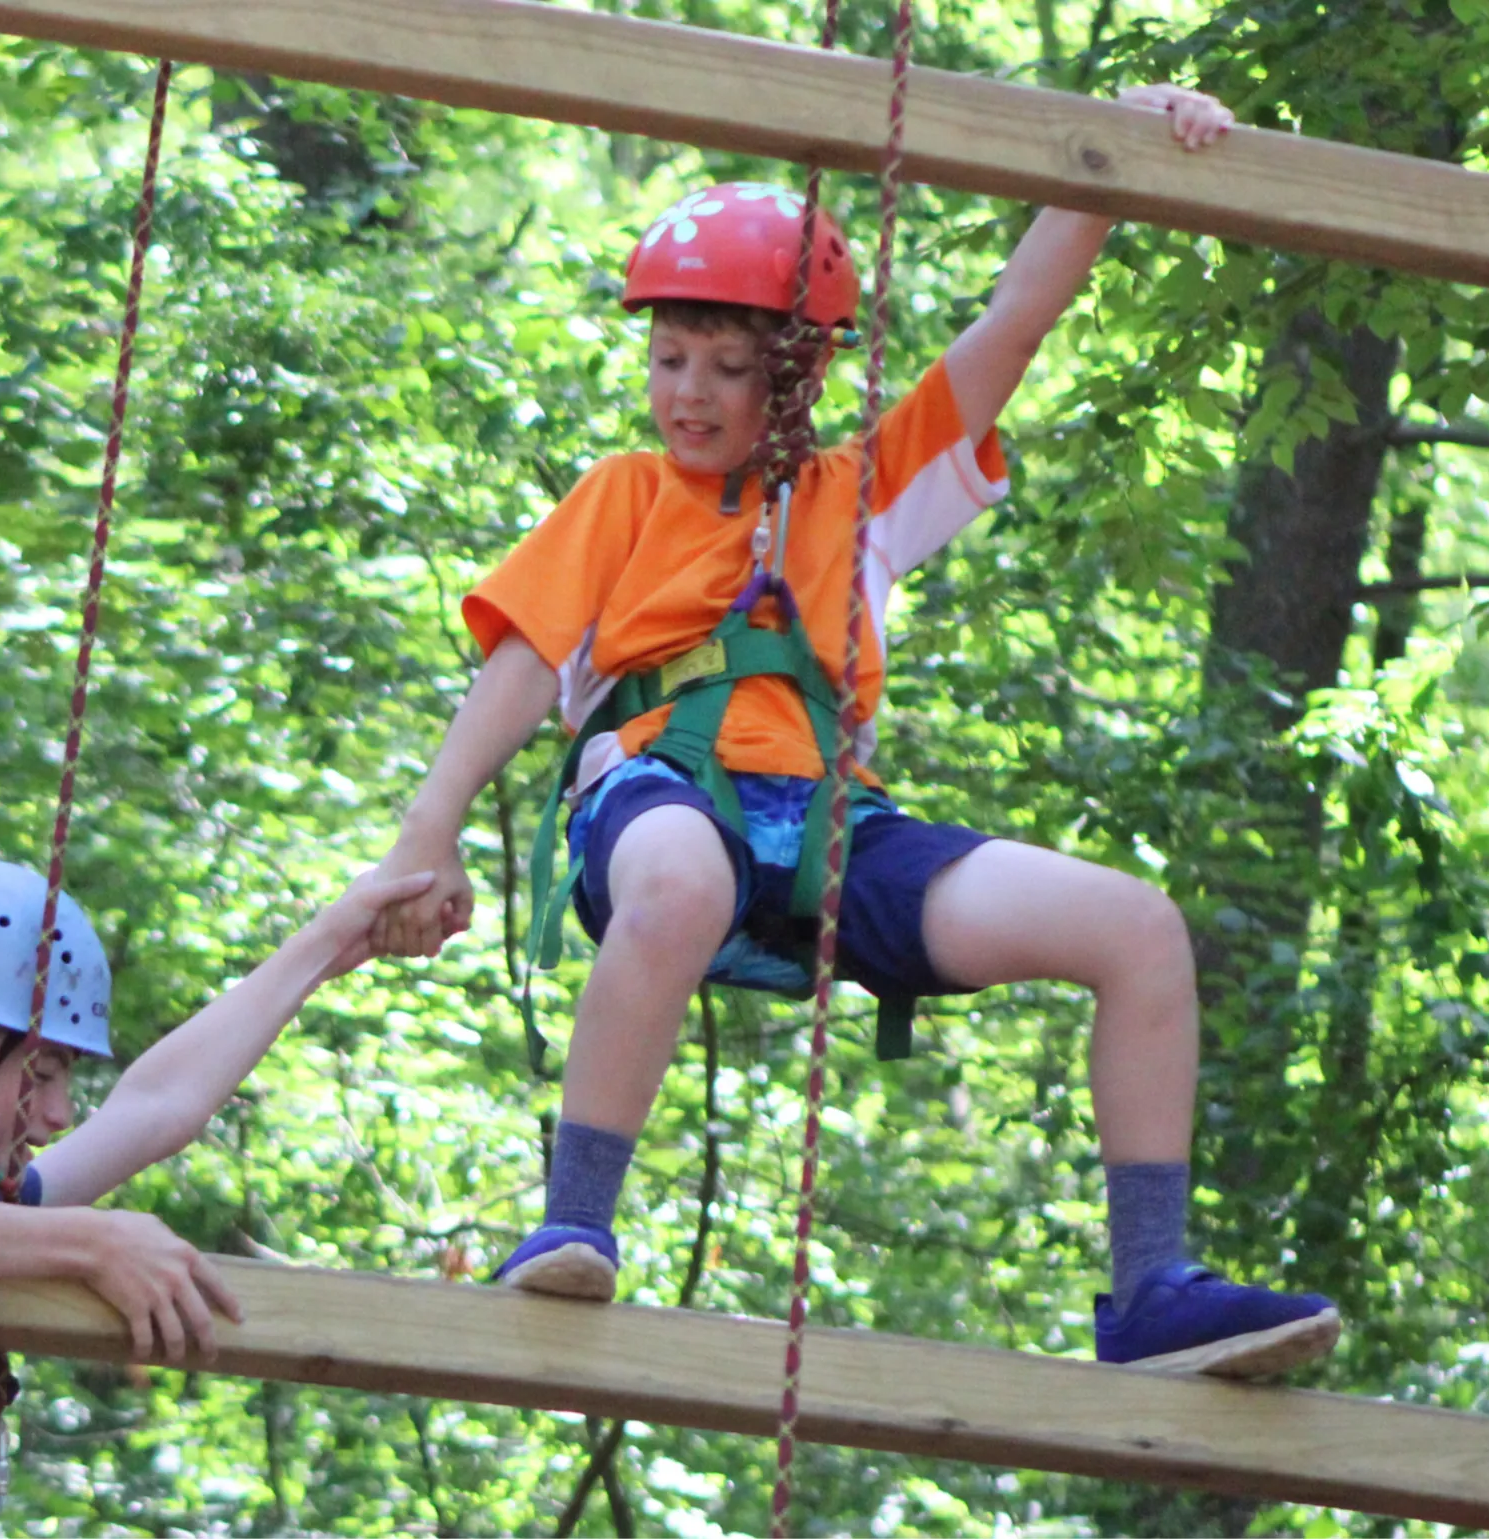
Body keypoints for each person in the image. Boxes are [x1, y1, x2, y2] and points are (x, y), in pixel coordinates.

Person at [368, 85, 1339, 1378]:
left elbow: (1016, 321)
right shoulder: (624, 495)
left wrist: (1113, 155)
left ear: (804, 368)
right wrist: (428, 827)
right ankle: (574, 1219)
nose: (691, 393)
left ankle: (1153, 1284)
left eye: (730, 364)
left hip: (833, 828)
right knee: (680, 877)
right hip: (658, 792)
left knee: (1139, 926)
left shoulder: (865, 496)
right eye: (671, 360)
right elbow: (524, 655)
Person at [0, 856, 431, 1537]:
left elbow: (158, 1107)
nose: (58, 1114)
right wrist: (99, 1240)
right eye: (43, 1072)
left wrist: (329, 942)